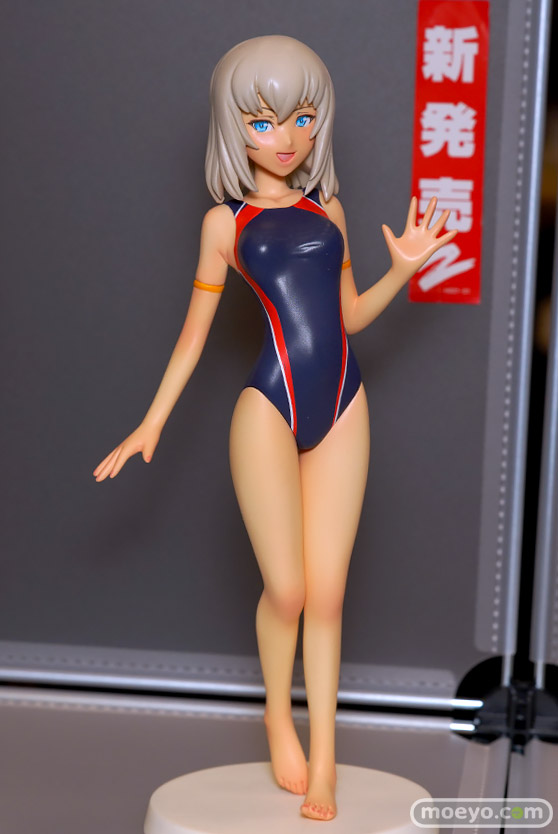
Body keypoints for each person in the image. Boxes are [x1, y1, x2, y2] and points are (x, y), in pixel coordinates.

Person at [94, 35, 456, 821]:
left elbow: (347, 317)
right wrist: (151, 423)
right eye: (262, 121)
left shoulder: (330, 210)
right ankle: (275, 714)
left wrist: (403, 270)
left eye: (301, 117)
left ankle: (325, 762)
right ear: (235, 128)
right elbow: (193, 336)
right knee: (287, 591)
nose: (285, 137)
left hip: (344, 405)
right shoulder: (224, 225)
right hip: (268, 407)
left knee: (328, 595)